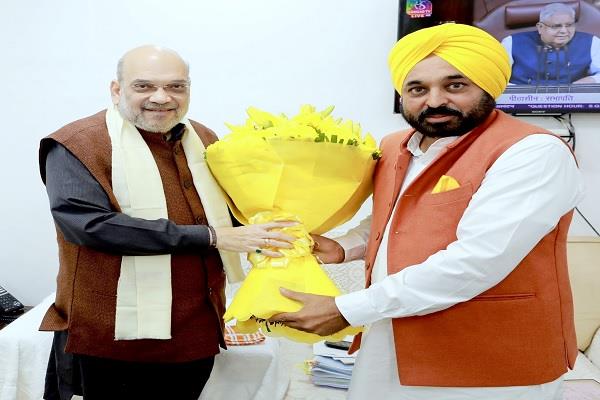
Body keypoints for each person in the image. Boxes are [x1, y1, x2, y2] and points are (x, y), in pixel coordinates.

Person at [272, 23, 585, 399]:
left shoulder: (532, 152)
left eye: (455, 85)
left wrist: (347, 309)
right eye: (417, 89)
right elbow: (395, 216)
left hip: (494, 359)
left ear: (488, 86)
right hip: (390, 339)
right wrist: (344, 246)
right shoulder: (394, 145)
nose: (434, 101)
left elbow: (479, 259)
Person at [39, 45, 295, 400]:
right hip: (110, 339)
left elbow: (232, 213)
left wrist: (286, 225)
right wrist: (212, 237)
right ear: (117, 89)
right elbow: (91, 227)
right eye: (144, 86)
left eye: (176, 87)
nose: (161, 97)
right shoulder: (76, 144)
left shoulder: (203, 140)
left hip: (196, 331)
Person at [501, 2, 600, 85]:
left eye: (569, 25)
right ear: (540, 27)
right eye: (556, 26)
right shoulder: (511, 42)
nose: (564, 31)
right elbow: (496, 76)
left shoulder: (592, 42)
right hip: (521, 99)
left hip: (571, 100)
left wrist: (591, 80)